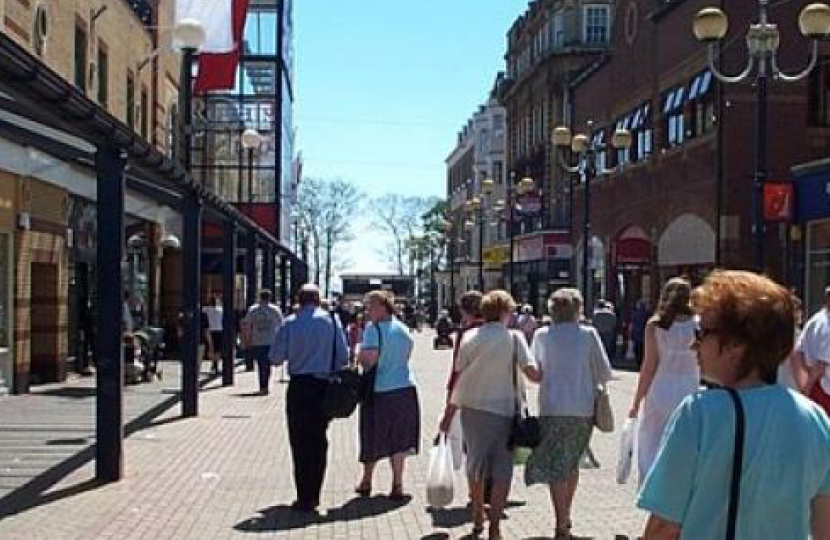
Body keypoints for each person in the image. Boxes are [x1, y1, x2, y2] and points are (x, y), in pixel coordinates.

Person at [638, 270, 830, 539]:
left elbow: (663, 527)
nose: (695, 345)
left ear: (736, 345)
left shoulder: (699, 413)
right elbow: (824, 527)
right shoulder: (815, 419)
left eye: (702, 332)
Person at [439, 290, 541, 540]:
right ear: (505, 312)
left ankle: (476, 514)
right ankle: (495, 525)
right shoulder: (515, 338)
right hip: (505, 410)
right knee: (502, 470)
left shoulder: (469, 337)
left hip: (472, 408)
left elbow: (458, 374)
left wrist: (448, 413)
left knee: (475, 464)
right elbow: (532, 374)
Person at [524, 288, 612, 539]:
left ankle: (561, 519)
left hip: (551, 407)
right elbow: (603, 371)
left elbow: (535, 373)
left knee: (556, 464)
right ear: (578, 309)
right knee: (571, 463)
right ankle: (565, 519)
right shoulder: (588, 334)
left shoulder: (542, 335)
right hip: (582, 408)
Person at [269, 284, 349, 514]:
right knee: (319, 440)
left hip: (299, 387)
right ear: (318, 299)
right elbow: (343, 356)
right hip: (324, 387)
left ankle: (303, 496)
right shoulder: (332, 322)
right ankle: (315, 493)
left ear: (298, 300)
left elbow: (275, 358)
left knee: (299, 442)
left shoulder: (290, 323)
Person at [628, 277, 699, 484]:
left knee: (653, 438)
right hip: (689, 387)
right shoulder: (698, 325)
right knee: (685, 439)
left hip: (661, 387)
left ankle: (653, 482)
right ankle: (682, 481)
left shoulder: (656, 325)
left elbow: (649, 366)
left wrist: (636, 401)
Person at [354, 290, 419, 500]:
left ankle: (366, 480)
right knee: (399, 439)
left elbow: (369, 360)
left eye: (370, 306)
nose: (367, 311)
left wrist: (358, 354)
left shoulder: (373, 330)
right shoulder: (403, 329)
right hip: (405, 388)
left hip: (379, 390)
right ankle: (397, 483)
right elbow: (407, 356)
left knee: (372, 435)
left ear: (382, 307)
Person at [242, 289, 283, 395]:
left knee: (261, 364)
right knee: (267, 364)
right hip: (271, 341)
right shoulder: (275, 309)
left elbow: (247, 325)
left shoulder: (253, 310)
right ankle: (265, 385)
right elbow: (281, 325)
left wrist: (247, 340)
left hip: (257, 341)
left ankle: (262, 385)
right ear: (270, 297)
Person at [799, 286, 830, 415]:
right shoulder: (827, 326)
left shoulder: (816, 319)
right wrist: (807, 388)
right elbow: (821, 365)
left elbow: (798, 351)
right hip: (824, 390)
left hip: (815, 387)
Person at [203, 295, 223, 374]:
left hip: (209, 330)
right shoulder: (220, 310)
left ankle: (213, 363)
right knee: (217, 349)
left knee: (211, 346)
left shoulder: (206, 309)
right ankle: (215, 364)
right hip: (219, 330)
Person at [630, 300, 650, 368]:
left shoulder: (635, 313)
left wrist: (631, 334)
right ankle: (641, 364)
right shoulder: (647, 314)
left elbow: (632, 324)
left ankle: (638, 364)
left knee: (637, 350)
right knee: (643, 350)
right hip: (644, 335)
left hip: (636, 334)